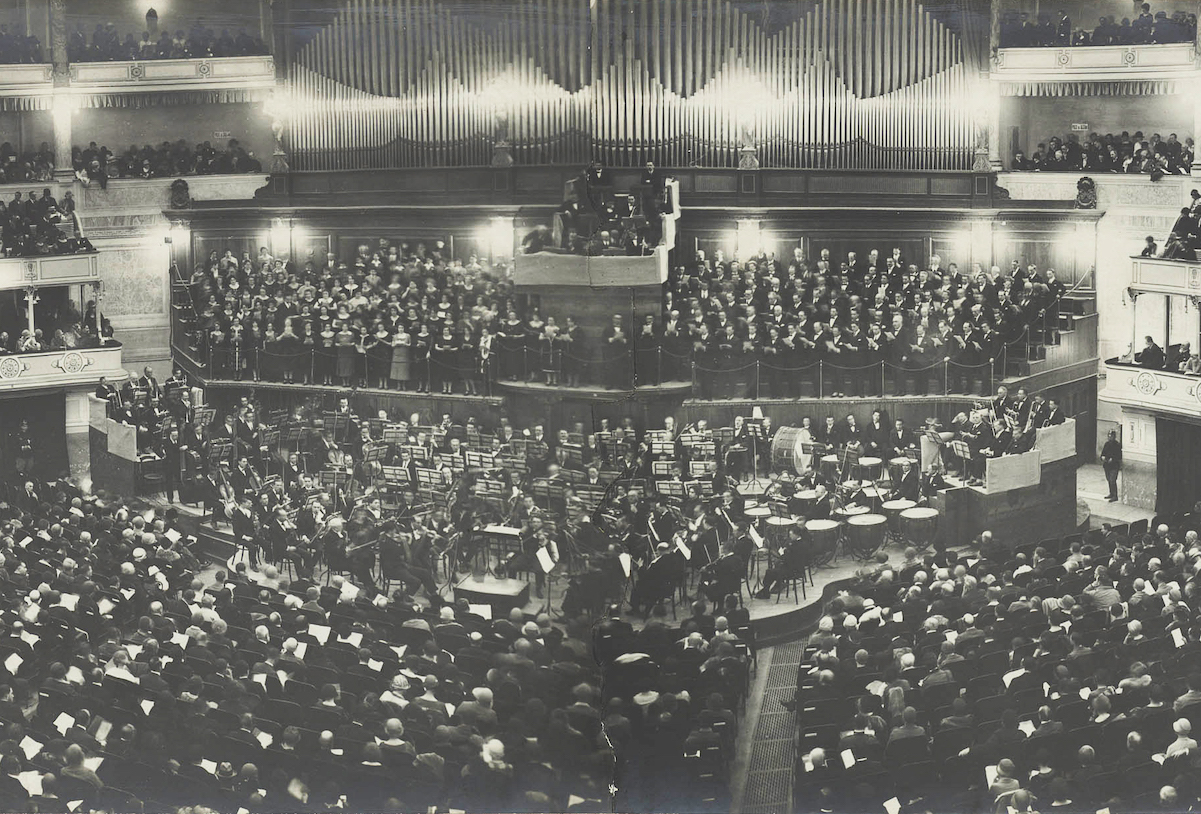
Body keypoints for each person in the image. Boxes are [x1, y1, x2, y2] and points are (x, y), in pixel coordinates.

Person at [1100, 429, 1122, 502]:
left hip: (1114, 466)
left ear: (1114, 436)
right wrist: (1102, 457)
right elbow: (1103, 453)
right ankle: (1111, 493)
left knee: (1113, 480)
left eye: (1111, 435)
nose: (1110, 437)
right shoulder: (1106, 444)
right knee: (1109, 479)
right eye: (1109, 435)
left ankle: (1115, 496)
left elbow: (1119, 456)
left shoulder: (1117, 445)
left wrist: (1113, 459)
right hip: (1107, 465)